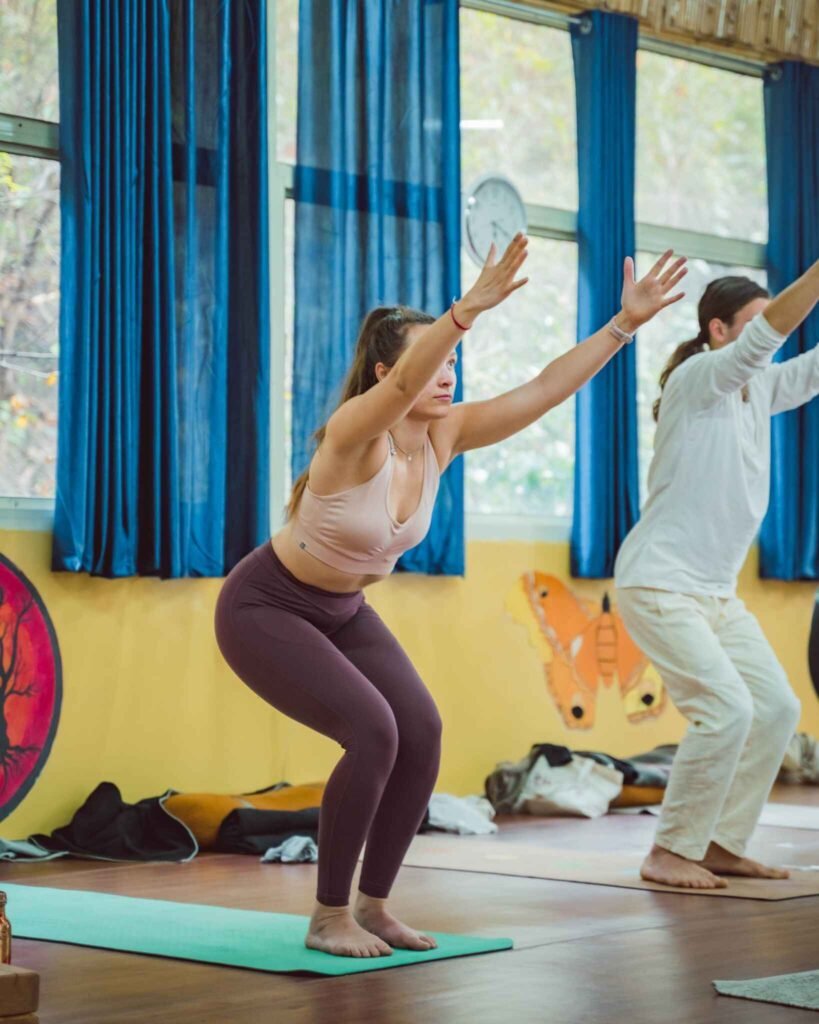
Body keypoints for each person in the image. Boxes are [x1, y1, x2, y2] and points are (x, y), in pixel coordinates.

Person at [215, 236, 687, 956]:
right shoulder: (352, 436)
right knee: (372, 732)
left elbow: (542, 389)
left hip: (343, 613)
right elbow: (402, 390)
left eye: (452, 363)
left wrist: (622, 326)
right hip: (266, 608)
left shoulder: (445, 435)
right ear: (386, 372)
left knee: (421, 732)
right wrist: (465, 309)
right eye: (434, 360)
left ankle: (373, 906)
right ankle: (327, 915)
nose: (447, 375)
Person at [615, 260, 819, 890]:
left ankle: (720, 842)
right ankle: (669, 850)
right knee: (726, 709)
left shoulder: (758, 389)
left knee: (777, 709)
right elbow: (770, 341)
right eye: (757, 326)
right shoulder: (698, 377)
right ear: (718, 331)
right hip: (659, 583)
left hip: (715, 595)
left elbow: (807, 370)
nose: (771, 338)